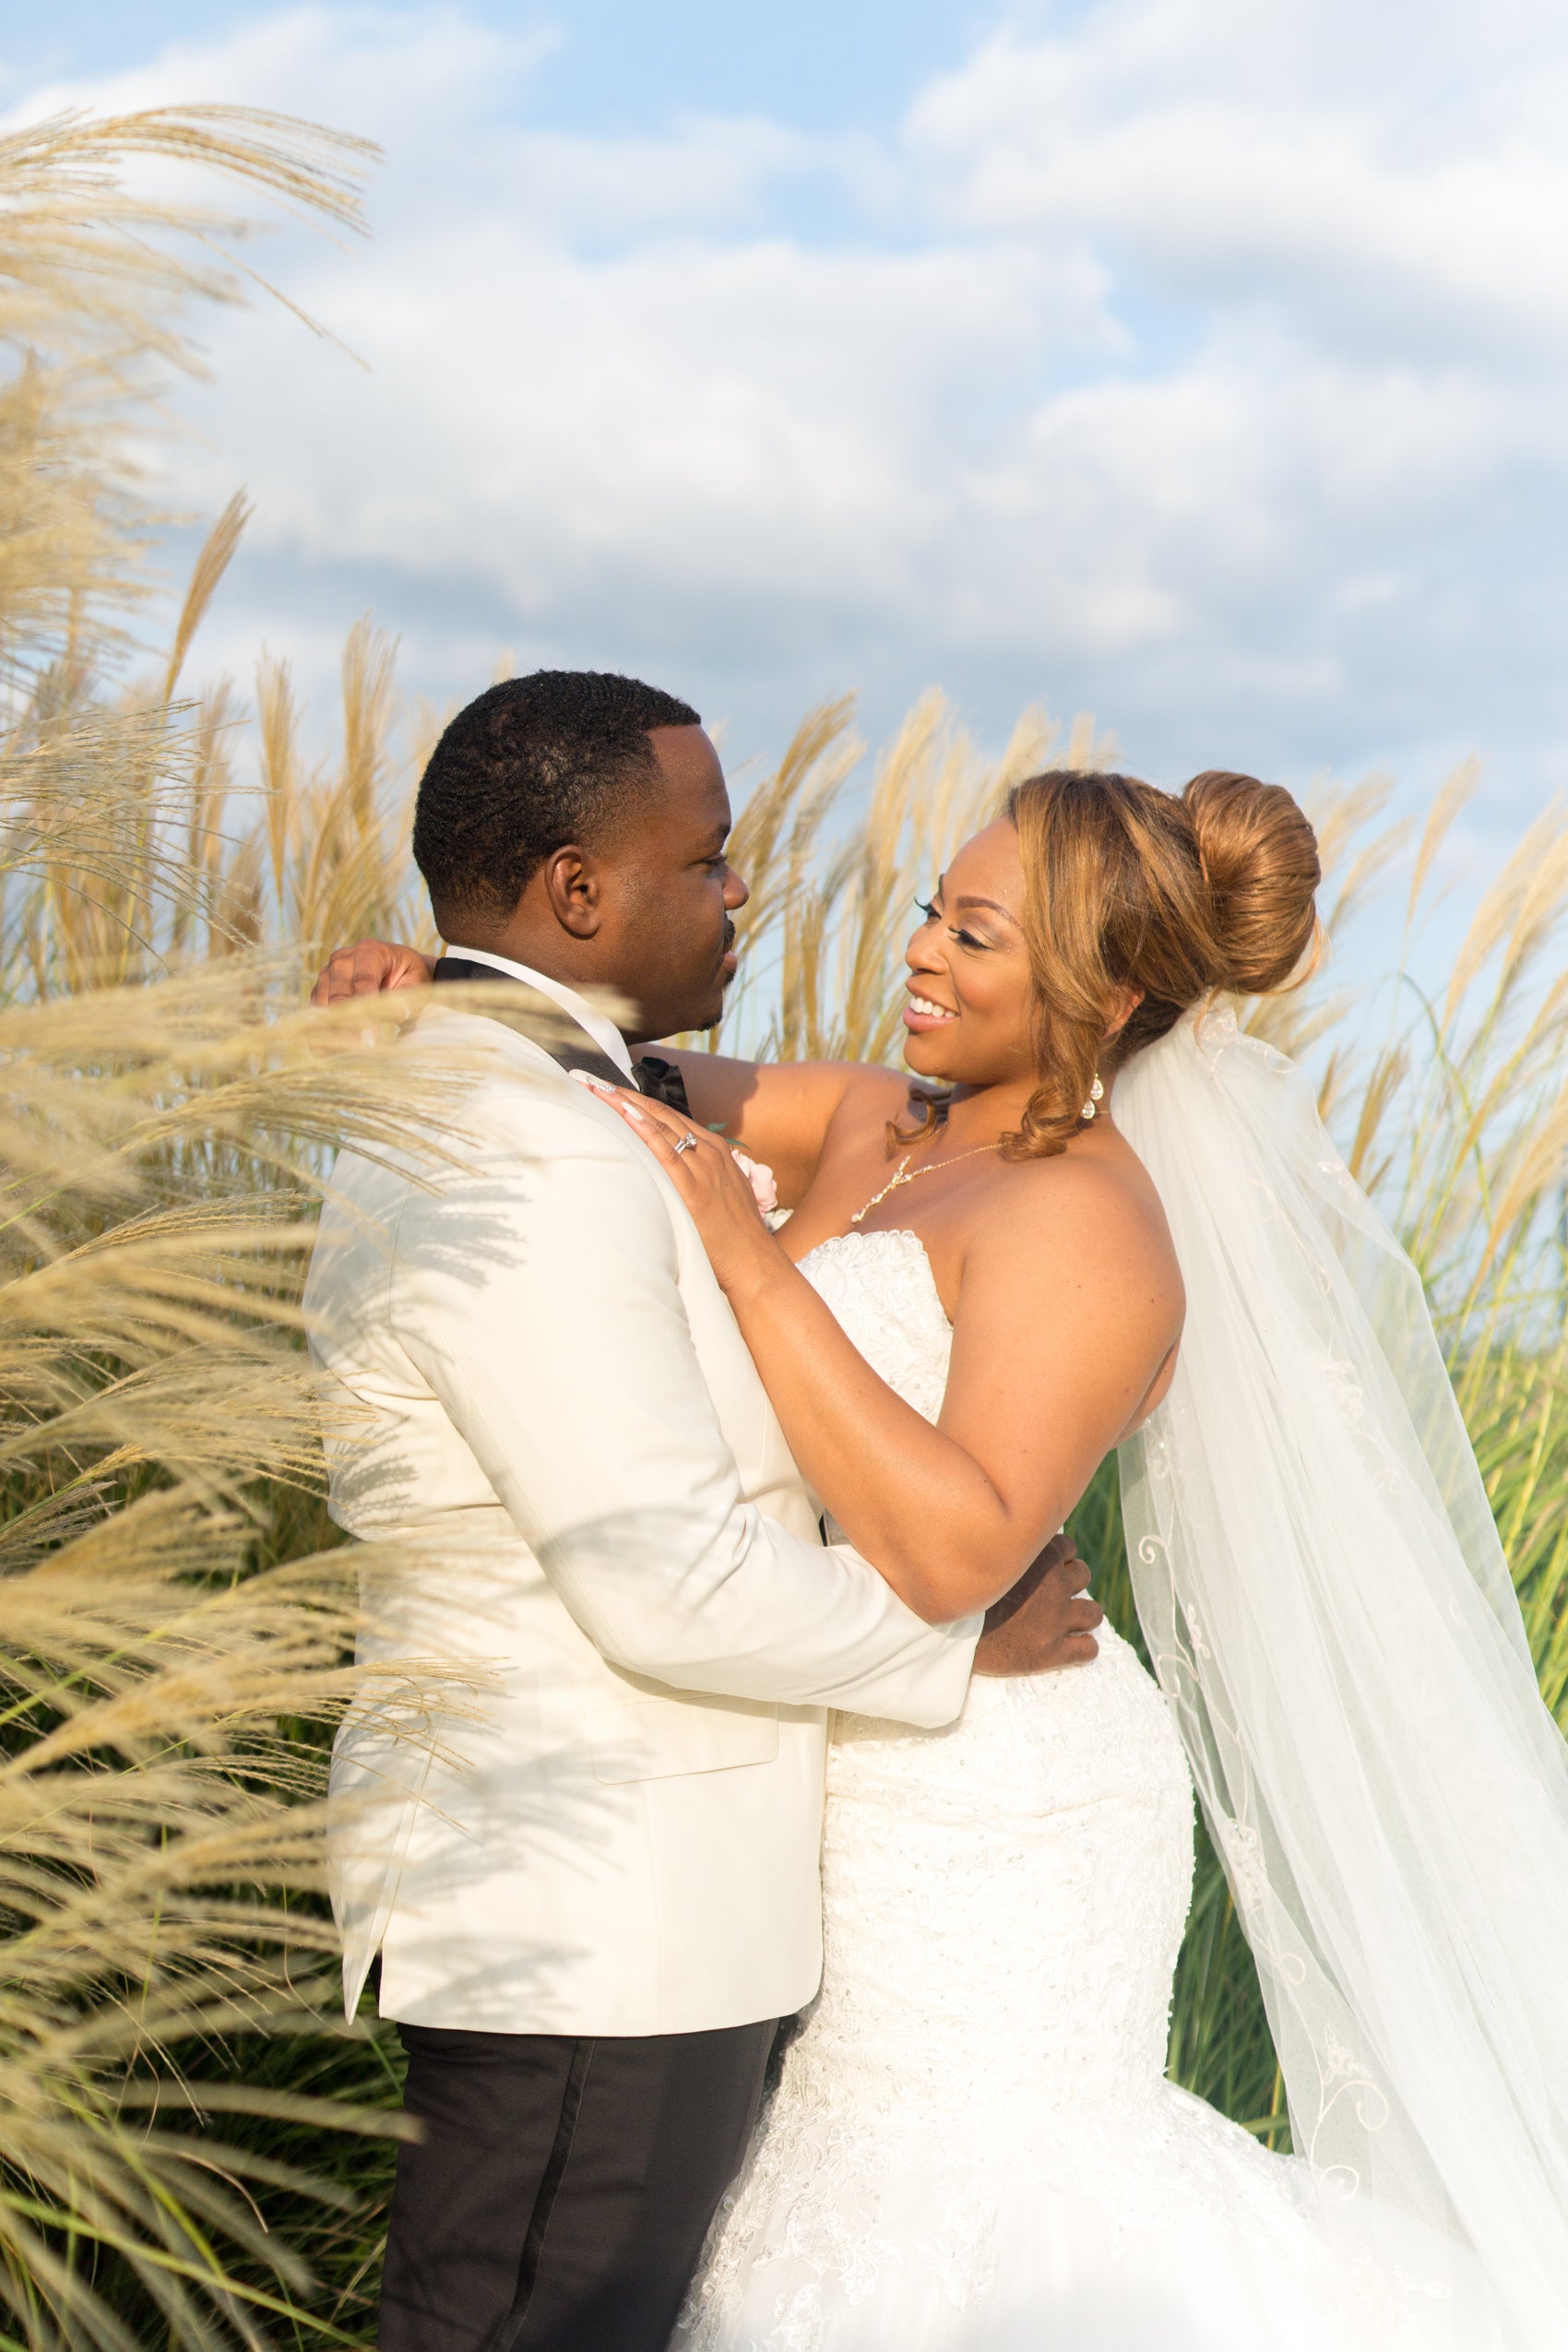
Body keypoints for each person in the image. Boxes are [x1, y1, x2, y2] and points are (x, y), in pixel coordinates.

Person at [331, 762, 1568, 2349]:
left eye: (974, 936)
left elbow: (959, 1542)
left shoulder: (1089, 1221)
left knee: (954, 2212)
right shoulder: (876, 1119)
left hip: (996, 1772)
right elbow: (611, 1076)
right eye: (930, 911)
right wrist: (441, 991)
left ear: (1105, 988)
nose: (922, 953)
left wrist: (749, 1267)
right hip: (830, 1728)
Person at [303, 671, 1094, 2352]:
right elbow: (664, 1574)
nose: (746, 892)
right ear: (579, 894)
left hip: (632, 1914)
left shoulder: (573, 1092)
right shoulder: (518, 1138)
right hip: (596, 1923)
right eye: (711, 859)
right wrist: (958, 1632)